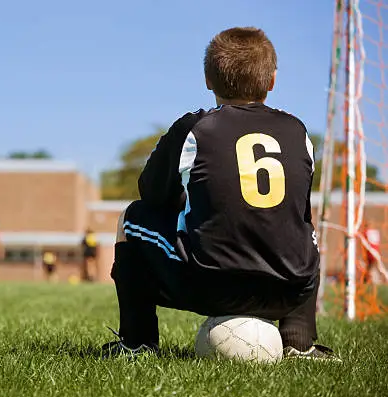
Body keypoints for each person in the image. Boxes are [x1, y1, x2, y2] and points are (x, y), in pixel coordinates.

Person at [102, 27, 340, 361]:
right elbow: (297, 211)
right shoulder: (298, 132)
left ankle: (138, 341)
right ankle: (299, 342)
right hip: (286, 290)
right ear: (272, 81)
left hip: (208, 286)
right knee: (305, 229)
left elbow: (152, 194)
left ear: (207, 80)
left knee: (132, 218)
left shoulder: (193, 128)